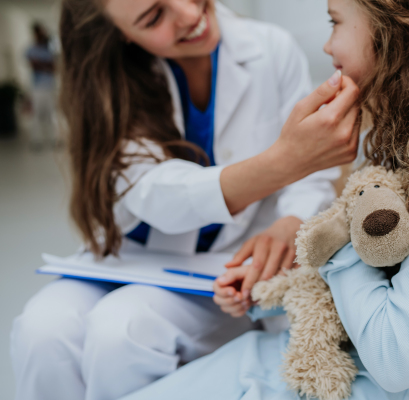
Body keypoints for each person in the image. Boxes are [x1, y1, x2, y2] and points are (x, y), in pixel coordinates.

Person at [121, 0, 409, 399]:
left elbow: (394, 359)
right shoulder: (406, 138)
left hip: (344, 385)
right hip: (305, 363)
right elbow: (367, 277)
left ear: (391, 30)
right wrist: (275, 287)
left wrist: (333, 246)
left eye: (335, 21)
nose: (327, 44)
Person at [10, 1, 361, 400]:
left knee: (121, 332)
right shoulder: (113, 80)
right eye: (154, 16)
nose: (189, 14)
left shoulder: (271, 49)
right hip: (131, 257)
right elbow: (158, 193)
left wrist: (291, 221)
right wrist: (283, 161)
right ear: (122, 35)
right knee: (41, 329)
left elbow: (312, 180)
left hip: (221, 270)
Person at [26, 23, 59, 149]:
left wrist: (42, 64)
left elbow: (54, 67)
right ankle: (36, 141)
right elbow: (35, 65)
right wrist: (47, 65)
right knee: (37, 115)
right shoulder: (30, 49)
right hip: (37, 87)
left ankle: (53, 139)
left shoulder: (49, 49)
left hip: (50, 86)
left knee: (52, 114)